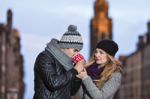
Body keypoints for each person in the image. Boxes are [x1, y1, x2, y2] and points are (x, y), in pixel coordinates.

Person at [33, 25, 85, 99]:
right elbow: (53, 83)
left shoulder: (69, 64)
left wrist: (78, 75)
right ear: (66, 46)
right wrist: (75, 70)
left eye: (78, 51)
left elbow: (72, 91)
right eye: (75, 50)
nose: (76, 54)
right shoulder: (45, 57)